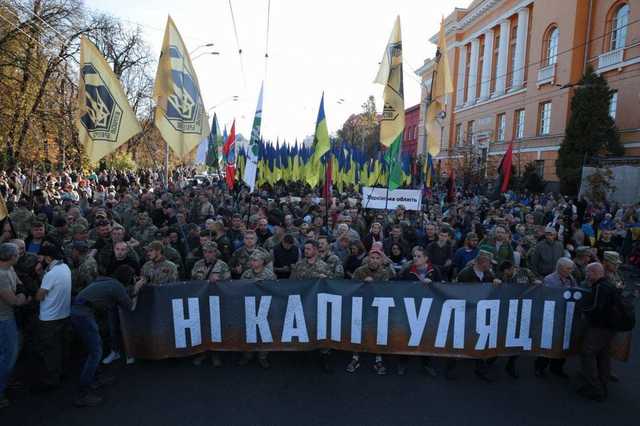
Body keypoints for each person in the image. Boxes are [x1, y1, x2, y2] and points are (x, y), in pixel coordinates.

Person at [70, 265, 144, 407]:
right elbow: (131, 307)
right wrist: (137, 289)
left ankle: (95, 378)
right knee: (95, 352)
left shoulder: (104, 281)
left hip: (79, 310)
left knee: (94, 348)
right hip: (83, 314)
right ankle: (83, 393)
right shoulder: (116, 287)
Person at [453, 250, 498, 382]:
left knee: (480, 341)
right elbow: (456, 292)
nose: (491, 266)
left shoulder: (488, 274)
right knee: (460, 340)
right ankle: (451, 367)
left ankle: (481, 369)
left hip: (480, 313)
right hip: (466, 312)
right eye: (489, 263)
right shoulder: (465, 274)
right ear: (482, 263)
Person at [396, 246, 441, 376]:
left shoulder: (435, 271)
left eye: (419, 256)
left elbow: (443, 287)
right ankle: (403, 362)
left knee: (426, 336)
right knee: (406, 335)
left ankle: (426, 363)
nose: (415, 258)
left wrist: (433, 284)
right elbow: (398, 287)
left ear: (426, 258)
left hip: (428, 309)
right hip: (410, 308)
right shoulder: (407, 271)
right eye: (414, 256)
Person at [34, 243, 72, 392]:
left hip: (49, 318)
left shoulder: (51, 274)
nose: (39, 260)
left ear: (48, 258)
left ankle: (51, 380)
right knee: (62, 346)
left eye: (41, 257)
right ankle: (62, 373)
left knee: (50, 350)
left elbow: (39, 296)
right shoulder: (65, 268)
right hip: (64, 314)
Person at [578, 262, 618, 401]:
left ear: (594, 272)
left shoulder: (600, 287)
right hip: (610, 327)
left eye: (588, 273)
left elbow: (595, 308)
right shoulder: (608, 285)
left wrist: (581, 309)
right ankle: (603, 383)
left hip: (599, 327)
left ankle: (594, 387)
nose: (586, 275)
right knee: (603, 355)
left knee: (587, 353)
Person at [349, 248, 392, 375]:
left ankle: (378, 358)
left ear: (381, 260)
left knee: (378, 332)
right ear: (367, 259)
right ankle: (355, 358)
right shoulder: (359, 271)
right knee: (356, 331)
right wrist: (363, 284)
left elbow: (387, 291)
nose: (374, 260)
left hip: (377, 307)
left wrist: (374, 285)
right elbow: (350, 288)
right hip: (360, 305)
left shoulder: (384, 273)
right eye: (372, 258)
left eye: (377, 258)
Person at [0, 243, 30, 409]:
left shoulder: (9, 269)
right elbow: (14, 301)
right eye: (17, 254)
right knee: (8, 357)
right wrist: (23, 296)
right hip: (4, 320)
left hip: (9, 319)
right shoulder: (1, 275)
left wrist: (21, 293)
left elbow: (19, 284)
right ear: (11, 257)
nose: (19, 255)